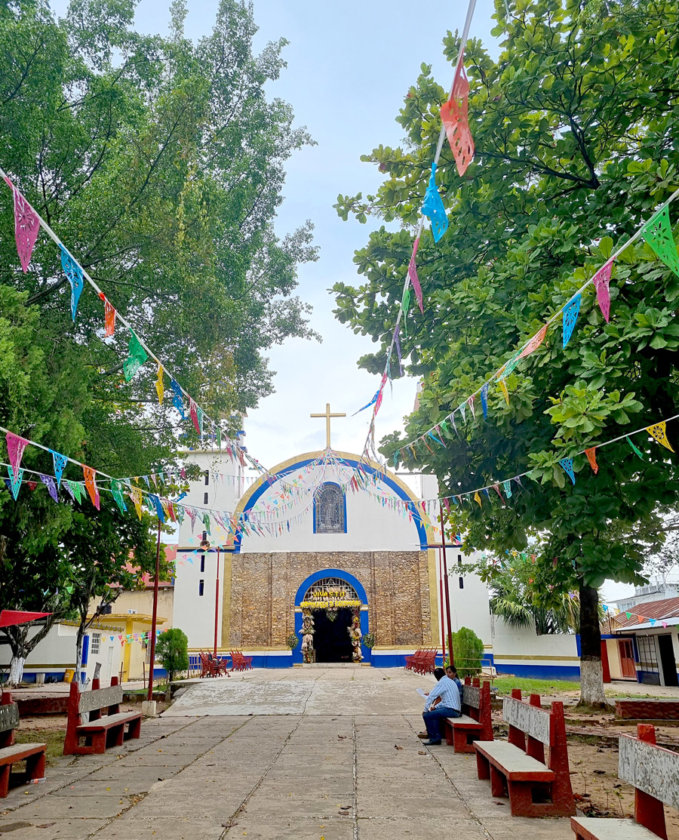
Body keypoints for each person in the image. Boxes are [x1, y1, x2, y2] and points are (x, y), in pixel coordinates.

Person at [421, 666, 461, 745]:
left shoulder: (442, 682)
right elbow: (445, 701)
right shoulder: (449, 681)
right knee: (434, 714)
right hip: (455, 710)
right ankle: (437, 736)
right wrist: (435, 707)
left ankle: (434, 738)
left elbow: (431, 696)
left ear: (436, 677)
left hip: (451, 710)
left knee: (427, 715)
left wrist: (425, 710)